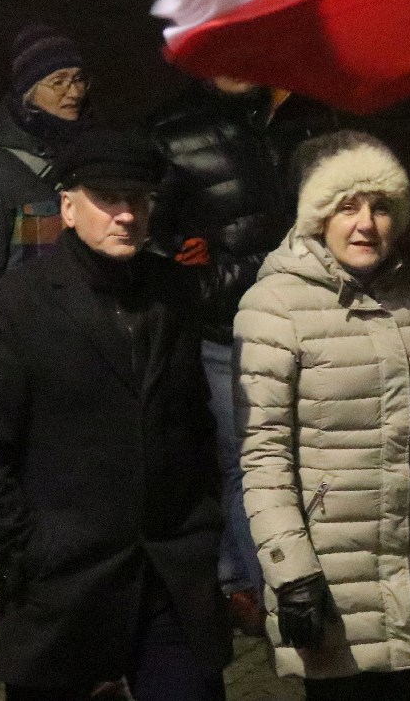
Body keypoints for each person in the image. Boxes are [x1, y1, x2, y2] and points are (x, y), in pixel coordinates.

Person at [0, 128, 232, 701]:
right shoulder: (10, 308)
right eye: (108, 198)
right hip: (63, 584)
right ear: (69, 207)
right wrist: (28, 550)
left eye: (139, 199)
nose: (126, 215)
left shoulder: (174, 293)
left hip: (170, 578)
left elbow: (194, 423)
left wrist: (201, 527)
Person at [235, 130, 410, 700]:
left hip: (409, 566)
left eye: (381, 207)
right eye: (347, 207)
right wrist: (292, 572)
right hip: (327, 577)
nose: (366, 224)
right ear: (317, 218)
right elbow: (263, 456)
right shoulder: (274, 306)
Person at [145, 77, 316, 634]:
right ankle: (273, 591)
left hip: (310, 316)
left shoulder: (306, 110)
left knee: (305, 453)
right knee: (249, 461)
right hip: (229, 325)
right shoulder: (173, 128)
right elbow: (152, 235)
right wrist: (192, 266)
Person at [0, 25, 92, 296]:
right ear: (28, 92)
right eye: (59, 81)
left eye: (78, 79)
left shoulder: (93, 157)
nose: (75, 92)